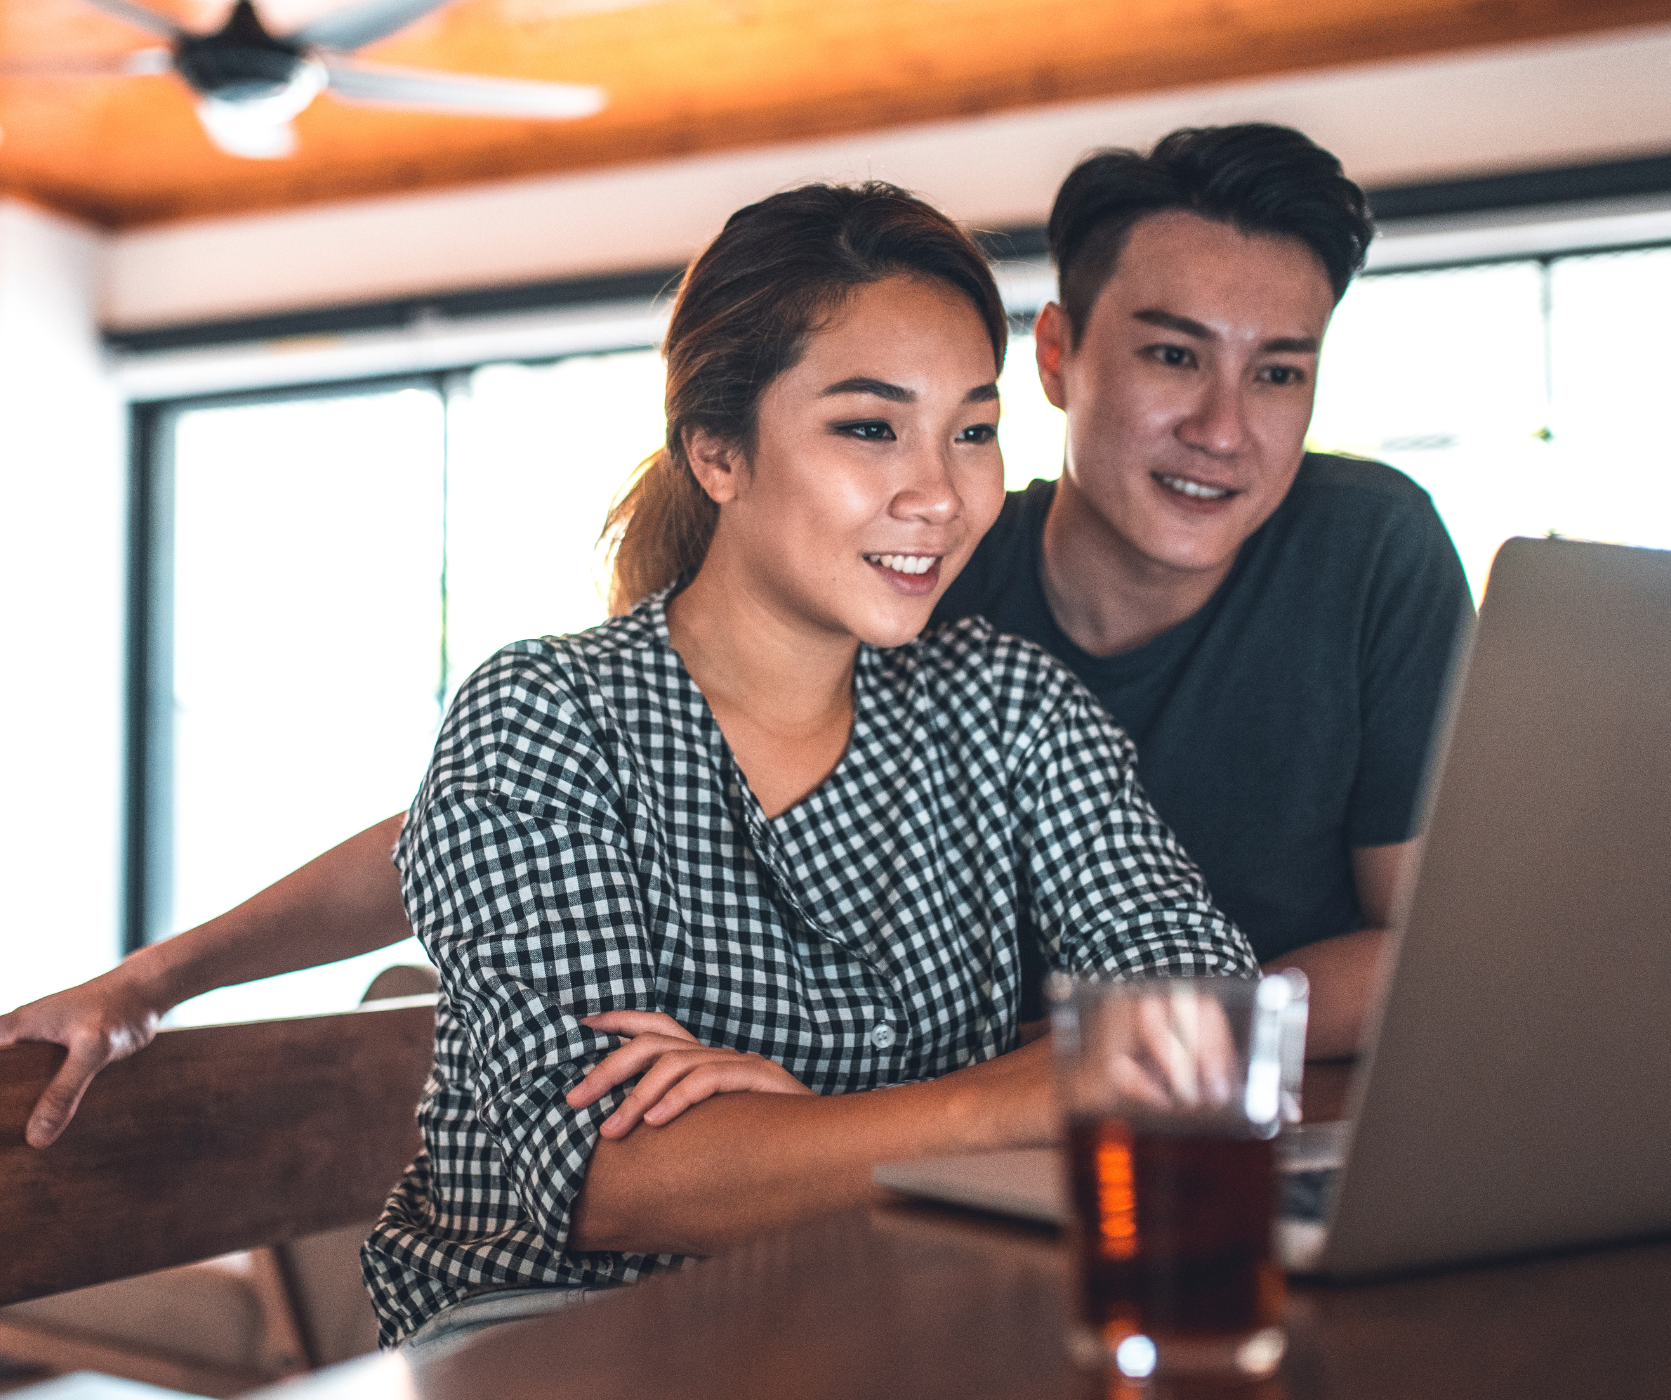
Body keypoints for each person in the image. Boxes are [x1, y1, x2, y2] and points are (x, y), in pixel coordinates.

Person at [1, 122, 1469, 1150]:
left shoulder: (1360, 549)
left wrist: (1151, 1050)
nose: (1225, 426)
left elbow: (1437, 953)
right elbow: (532, 809)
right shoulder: (913, 573)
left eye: (1282, 371)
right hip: (958, 1159)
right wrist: (162, 976)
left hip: (1155, 1136)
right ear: (1064, 358)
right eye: (1170, 355)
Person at [363, 182, 1257, 1346]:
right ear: (718, 452)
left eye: (973, 430)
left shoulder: (1004, 699)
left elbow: (1205, 1026)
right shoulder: (548, 715)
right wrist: (1011, 1091)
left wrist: (811, 1137)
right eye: (869, 426)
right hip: (558, 1338)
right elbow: (613, 1180)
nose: (938, 492)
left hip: (891, 1308)